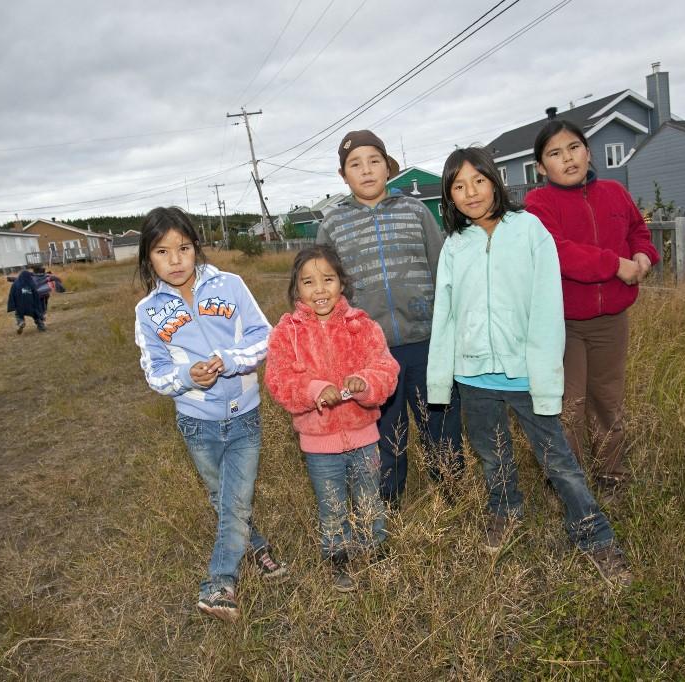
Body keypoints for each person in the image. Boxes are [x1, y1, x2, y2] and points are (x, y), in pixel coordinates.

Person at [427, 146, 632, 585]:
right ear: (449, 196)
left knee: (557, 459)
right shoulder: (454, 246)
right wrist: (440, 383)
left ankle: (595, 537)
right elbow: (443, 317)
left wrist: (544, 378)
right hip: (473, 376)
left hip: (524, 373)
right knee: (491, 455)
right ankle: (506, 511)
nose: (471, 192)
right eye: (458, 186)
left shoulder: (529, 231)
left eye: (478, 181)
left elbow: (545, 308)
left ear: (494, 181)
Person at [134, 206, 287, 623]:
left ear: (196, 247)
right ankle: (256, 544)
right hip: (195, 422)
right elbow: (155, 374)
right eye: (163, 252)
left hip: (244, 414)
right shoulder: (147, 311)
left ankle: (219, 584)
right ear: (149, 257)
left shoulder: (231, 285)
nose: (176, 260)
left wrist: (229, 359)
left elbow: (265, 337)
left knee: (234, 498)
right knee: (223, 495)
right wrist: (188, 375)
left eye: (184, 248)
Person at [316, 129, 464, 508]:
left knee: (440, 421)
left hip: (425, 341)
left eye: (374, 161)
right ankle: (389, 501)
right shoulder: (331, 226)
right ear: (343, 175)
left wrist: (451, 328)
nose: (366, 171)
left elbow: (441, 270)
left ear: (388, 168)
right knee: (384, 430)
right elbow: (325, 291)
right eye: (355, 165)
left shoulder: (415, 212)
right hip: (369, 355)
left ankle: (452, 492)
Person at [525, 119, 660, 499]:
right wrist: (615, 264)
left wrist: (642, 256)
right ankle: (569, 484)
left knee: (607, 400)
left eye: (574, 147)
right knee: (569, 406)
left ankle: (611, 477)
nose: (567, 158)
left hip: (611, 322)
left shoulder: (616, 192)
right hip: (562, 323)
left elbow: (639, 232)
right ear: (540, 167)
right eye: (554, 153)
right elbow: (558, 251)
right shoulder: (539, 204)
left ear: (588, 151)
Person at [265, 245, 399, 592]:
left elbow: (385, 367)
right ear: (296, 289)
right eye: (308, 282)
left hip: (364, 434)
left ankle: (376, 550)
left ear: (342, 283)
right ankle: (337, 557)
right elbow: (278, 381)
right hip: (319, 444)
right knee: (332, 505)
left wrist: (365, 382)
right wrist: (313, 390)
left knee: (370, 499)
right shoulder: (287, 332)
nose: (319, 290)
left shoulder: (361, 325)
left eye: (328, 279)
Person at [7, 268, 45, 333]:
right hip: (31, 305)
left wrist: (12, 305)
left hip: (20, 305)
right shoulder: (31, 283)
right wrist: (39, 307)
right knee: (36, 314)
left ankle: (21, 322)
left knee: (18, 314)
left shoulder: (15, 284)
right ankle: (41, 325)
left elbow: (12, 295)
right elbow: (36, 295)